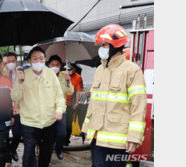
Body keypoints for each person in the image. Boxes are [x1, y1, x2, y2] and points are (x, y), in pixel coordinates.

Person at [81, 24, 147, 167]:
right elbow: (94, 103)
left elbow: (139, 106)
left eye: (104, 45)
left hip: (119, 139)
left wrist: (134, 137)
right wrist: (86, 129)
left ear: (115, 46)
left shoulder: (132, 70)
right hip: (97, 137)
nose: (101, 49)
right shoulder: (99, 69)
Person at [11, 46, 66, 167]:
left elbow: (59, 96)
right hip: (29, 124)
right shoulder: (23, 75)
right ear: (29, 60)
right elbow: (15, 97)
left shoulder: (51, 74)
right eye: (34, 59)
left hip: (48, 123)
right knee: (29, 158)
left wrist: (59, 110)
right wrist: (20, 83)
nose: (38, 62)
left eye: (41, 58)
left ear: (45, 59)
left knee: (45, 156)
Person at [47, 55, 74, 160]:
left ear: (60, 66)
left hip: (61, 110)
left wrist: (68, 81)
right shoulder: (44, 76)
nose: (55, 66)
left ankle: (58, 149)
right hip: (48, 110)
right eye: (52, 64)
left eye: (57, 64)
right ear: (48, 65)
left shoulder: (64, 77)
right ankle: (47, 155)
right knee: (49, 135)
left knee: (62, 133)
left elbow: (70, 91)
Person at [3, 52, 21, 163]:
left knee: (18, 134)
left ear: (16, 61)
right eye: (8, 61)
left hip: (18, 108)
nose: (11, 63)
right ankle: (7, 159)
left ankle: (12, 149)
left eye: (13, 61)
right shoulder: (1, 72)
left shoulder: (21, 73)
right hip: (4, 108)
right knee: (4, 135)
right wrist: (2, 65)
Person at [64, 62, 84, 146]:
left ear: (74, 69)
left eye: (70, 69)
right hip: (61, 102)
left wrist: (77, 103)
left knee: (68, 122)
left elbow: (78, 91)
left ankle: (66, 140)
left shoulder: (78, 78)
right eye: (67, 69)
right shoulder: (63, 74)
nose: (68, 71)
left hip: (70, 104)